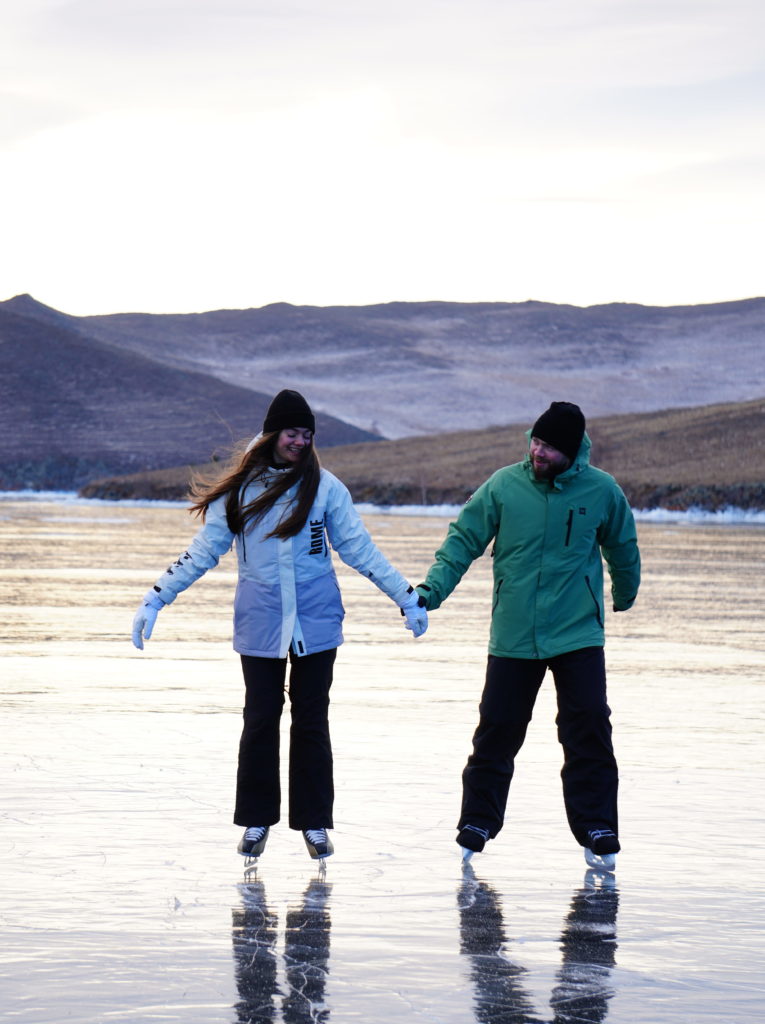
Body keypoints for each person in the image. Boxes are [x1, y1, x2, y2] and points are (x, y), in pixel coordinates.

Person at [131, 389, 428, 861]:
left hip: (317, 620)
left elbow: (360, 550)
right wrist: (156, 597)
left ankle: (314, 823)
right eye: (293, 432)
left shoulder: (325, 488)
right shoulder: (240, 491)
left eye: (307, 434)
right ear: (273, 434)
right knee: (260, 718)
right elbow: (203, 552)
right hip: (261, 620)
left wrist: (406, 597)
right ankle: (256, 820)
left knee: (311, 719)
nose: (300, 441)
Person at [416, 401, 640, 870]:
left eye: (550, 447)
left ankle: (597, 826)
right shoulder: (504, 486)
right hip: (514, 632)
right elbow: (462, 541)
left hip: (578, 633)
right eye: (536, 442)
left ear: (572, 453)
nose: (538, 452)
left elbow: (622, 545)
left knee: (588, 727)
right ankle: (477, 822)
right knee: (497, 730)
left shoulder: (602, 491)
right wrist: (431, 591)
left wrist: (625, 592)